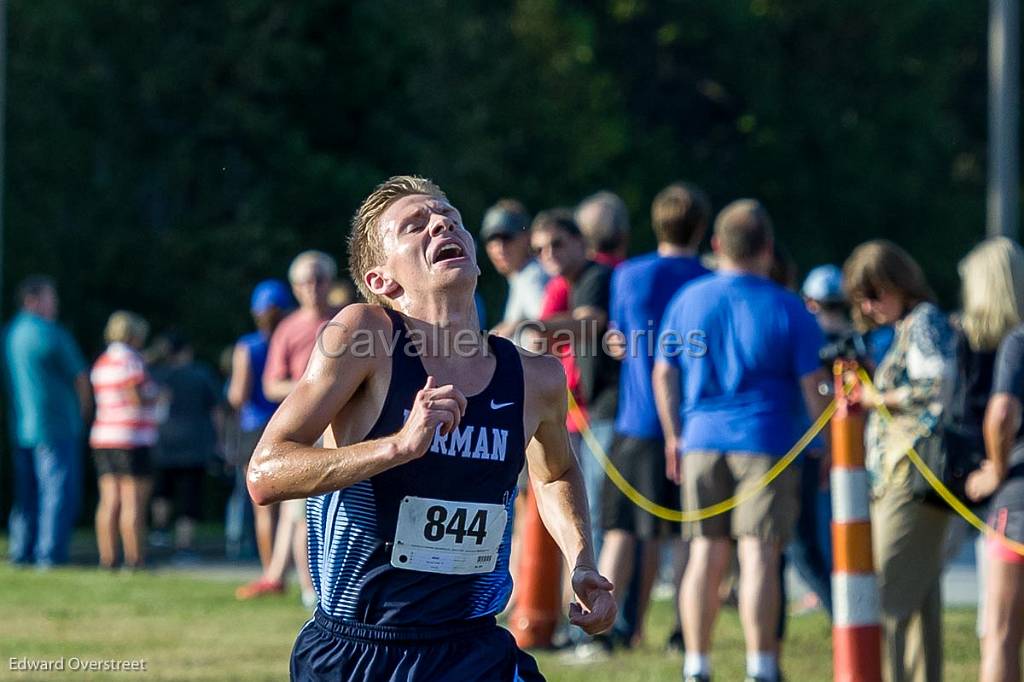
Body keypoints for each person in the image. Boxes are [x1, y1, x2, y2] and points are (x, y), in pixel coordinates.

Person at [245, 175, 616, 680]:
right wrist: (396, 447)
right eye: (415, 225)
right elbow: (266, 473)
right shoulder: (365, 336)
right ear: (382, 281)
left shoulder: (536, 376)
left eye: (450, 218)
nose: (442, 223)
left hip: (475, 646)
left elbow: (553, 475)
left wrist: (582, 562)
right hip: (362, 650)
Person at [652, 200, 828, 682]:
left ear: (715, 245)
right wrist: (822, 443)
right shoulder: (786, 306)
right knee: (759, 554)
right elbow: (815, 385)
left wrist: (673, 435)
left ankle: (696, 664)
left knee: (704, 554)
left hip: (701, 439)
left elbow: (664, 371)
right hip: (766, 441)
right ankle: (762, 666)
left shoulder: (688, 299)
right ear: (768, 249)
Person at [594, 182, 710, 652]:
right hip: (693, 422)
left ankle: (602, 630)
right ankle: (683, 632)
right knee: (686, 534)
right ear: (700, 227)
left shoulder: (628, 275)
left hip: (637, 418)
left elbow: (618, 340)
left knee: (620, 529)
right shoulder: (706, 279)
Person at [843, 239, 954, 682]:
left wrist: (876, 397)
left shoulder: (924, 322)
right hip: (906, 475)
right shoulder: (912, 325)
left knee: (885, 594)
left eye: (875, 294)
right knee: (920, 598)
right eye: (861, 298)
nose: (869, 307)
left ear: (900, 283)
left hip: (913, 474)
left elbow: (936, 387)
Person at [236, 251, 339, 607]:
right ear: (294, 288)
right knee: (301, 514)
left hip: (342, 429)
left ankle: (315, 582)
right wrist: (313, 385)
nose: (312, 288)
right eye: (304, 282)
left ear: (330, 281)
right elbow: (270, 385)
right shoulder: (288, 328)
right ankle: (311, 590)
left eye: (319, 280)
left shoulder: (349, 321)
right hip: (305, 431)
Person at [529, 209, 619, 550]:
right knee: (581, 504)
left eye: (557, 244)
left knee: (595, 506)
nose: (548, 254)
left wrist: (531, 326)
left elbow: (590, 322)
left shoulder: (596, 276)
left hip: (608, 407)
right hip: (582, 411)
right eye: (539, 250)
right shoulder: (568, 284)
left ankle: (598, 591)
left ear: (581, 243)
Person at [957, 237, 1024, 682]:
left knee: (1000, 635)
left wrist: (995, 470)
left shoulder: (1017, 341)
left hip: (1017, 501)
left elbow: (1001, 411)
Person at [4, 275, 92, 568]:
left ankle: (22, 550)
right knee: (57, 492)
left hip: (22, 427)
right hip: (56, 426)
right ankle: (50, 554)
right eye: (50, 297)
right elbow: (80, 378)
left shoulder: (11, 334)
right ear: (34, 300)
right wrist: (84, 413)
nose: (55, 304)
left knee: (26, 495)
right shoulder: (51, 333)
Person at [226, 280, 294, 570]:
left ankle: (270, 569)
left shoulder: (248, 346)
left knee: (262, 506)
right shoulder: (293, 340)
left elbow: (238, 395)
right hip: (289, 422)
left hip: (254, 428)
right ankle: (291, 566)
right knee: (293, 504)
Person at [89, 311, 159, 569]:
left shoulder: (102, 362)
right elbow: (135, 396)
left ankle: (107, 558)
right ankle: (134, 558)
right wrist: (158, 398)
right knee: (133, 501)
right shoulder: (131, 361)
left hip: (103, 436)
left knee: (109, 500)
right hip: (132, 437)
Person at [151, 333, 223, 560]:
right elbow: (217, 411)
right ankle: (184, 546)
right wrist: (220, 441)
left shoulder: (157, 375)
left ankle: (160, 533)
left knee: (162, 491)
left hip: (162, 441)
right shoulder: (200, 375)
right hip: (195, 443)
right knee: (190, 496)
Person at [480, 199, 549, 341]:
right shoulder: (521, 276)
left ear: (527, 238)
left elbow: (548, 324)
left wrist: (512, 326)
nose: (500, 248)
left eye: (507, 238)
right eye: (492, 239)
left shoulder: (532, 276)